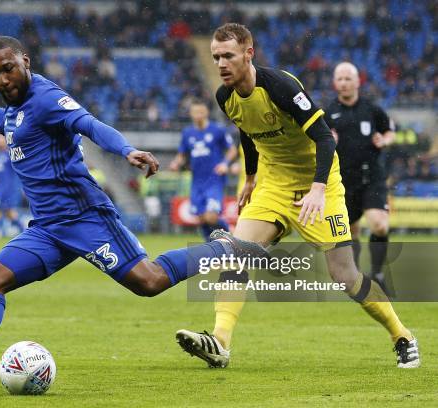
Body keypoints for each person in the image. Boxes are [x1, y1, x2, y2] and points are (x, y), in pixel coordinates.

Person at [0, 35, 269, 387]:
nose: (3, 79)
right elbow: (5, 122)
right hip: (48, 229)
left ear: (25, 62)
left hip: (85, 218)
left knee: (150, 282)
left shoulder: (46, 98)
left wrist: (126, 150)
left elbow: (89, 124)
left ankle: (225, 247)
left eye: (8, 69)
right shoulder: (18, 109)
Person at [175, 23, 419, 369]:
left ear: (249, 53)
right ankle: (220, 342)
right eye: (216, 57)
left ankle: (403, 336)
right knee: (235, 256)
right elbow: (247, 131)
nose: (221, 64)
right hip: (273, 184)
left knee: (345, 276)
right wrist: (249, 177)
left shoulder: (281, 87)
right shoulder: (224, 96)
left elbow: (325, 139)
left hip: (319, 184)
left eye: (228, 55)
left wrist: (318, 189)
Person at [324, 62, 394, 292]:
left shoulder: (372, 110)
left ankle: (378, 273)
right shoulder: (328, 113)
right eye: (339, 79)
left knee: (380, 225)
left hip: (371, 178)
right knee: (351, 231)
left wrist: (384, 140)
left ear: (357, 81)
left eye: (347, 78)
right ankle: (354, 279)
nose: (343, 83)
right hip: (343, 182)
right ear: (335, 83)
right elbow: (316, 142)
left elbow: (389, 131)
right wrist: (327, 142)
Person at [169, 99, 237, 241]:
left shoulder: (217, 130)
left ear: (206, 112)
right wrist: (176, 163)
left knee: (211, 217)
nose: (198, 115)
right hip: (197, 181)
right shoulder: (187, 133)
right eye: (195, 112)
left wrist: (225, 163)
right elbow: (182, 154)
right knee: (201, 218)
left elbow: (232, 150)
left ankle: (232, 236)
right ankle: (212, 248)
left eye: (201, 112)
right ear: (191, 114)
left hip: (214, 180)